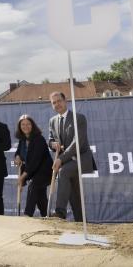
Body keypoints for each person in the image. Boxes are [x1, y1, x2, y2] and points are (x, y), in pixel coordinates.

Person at [48, 91, 97, 221]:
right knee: (74, 195)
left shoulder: (79, 118)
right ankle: (81, 221)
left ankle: (60, 213)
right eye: (54, 103)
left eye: (59, 101)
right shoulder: (52, 121)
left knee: (63, 172)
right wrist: (53, 144)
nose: (57, 104)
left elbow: (77, 143)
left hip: (81, 159)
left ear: (65, 101)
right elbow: (50, 140)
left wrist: (60, 159)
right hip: (66, 161)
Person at [14, 114, 53, 217]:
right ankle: (47, 215)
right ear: (19, 126)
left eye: (28, 124)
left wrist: (22, 178)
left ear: (32, 126)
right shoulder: (22, 140)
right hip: (33, 173)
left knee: (34, 185)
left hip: (44, 172)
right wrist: (17, 157)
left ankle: (27, 214)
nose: (25, 126)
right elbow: (19, 153)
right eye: (23, 124)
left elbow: (34, 162)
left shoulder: (39, 139)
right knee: (40, 196)